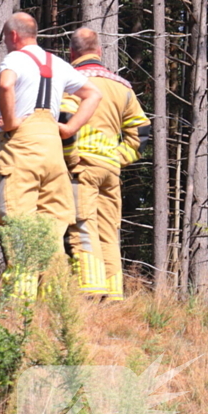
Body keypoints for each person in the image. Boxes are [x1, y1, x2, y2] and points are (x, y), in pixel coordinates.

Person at [0, 12, 101, 300]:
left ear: (13, 36)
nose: (5, 42)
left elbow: (5, 84)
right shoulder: (58, 63)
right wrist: (69, 128)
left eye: (5, 37)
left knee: (17, 219)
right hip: (52, 148)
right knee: (53, 223)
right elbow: (93, 94)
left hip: (22, 147)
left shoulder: (15, 58)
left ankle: (20, 299)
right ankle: (54, 298)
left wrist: (10, 121)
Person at [61, 27, 150, 302]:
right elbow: (142, 131)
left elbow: (66, 120)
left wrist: (71, 158)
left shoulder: (73, 81)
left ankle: (90, 288)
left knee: (83, 226)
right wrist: (119, 158)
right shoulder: (122, 86)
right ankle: (114, 293)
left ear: (72, 52)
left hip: (82, 166)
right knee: (108, 230)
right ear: (99, 52)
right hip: (110, 170)